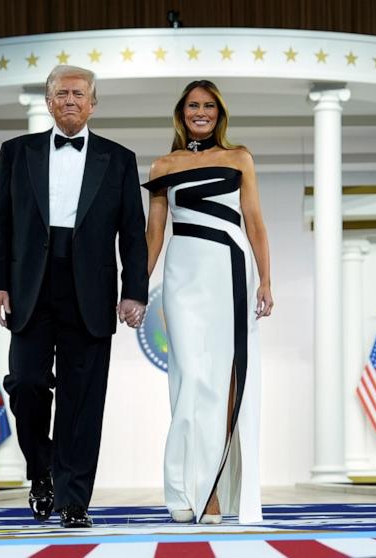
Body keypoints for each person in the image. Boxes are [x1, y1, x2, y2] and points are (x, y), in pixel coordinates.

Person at [0, 64, 148, 528]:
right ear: (49, 102)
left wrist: (134, 291)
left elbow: (132, 235)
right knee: (27, 384)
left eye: (80, 93)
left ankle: (74, 500)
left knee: (83, 400)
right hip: (29, 288)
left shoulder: (118, 159)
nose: (71, 100)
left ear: (93, 103)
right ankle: (42, 473)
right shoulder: (16, 153)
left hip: (92, 291)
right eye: (62, 93)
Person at [143, 80, 273, 524]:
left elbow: (254, 220)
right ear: (181, 113)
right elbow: (154, 234)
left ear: (220, 114)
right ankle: (183, 486)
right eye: (193, 106)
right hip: (183, 278)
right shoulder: (163, 165)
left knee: (225, 383)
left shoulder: (240, 158)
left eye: (209, 106)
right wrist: (136, 287)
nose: (201, 112)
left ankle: (211, 489)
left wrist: (266, 280)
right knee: (190, 379)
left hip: (230, 271)